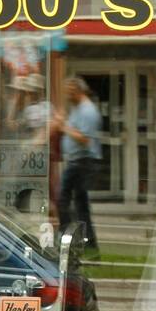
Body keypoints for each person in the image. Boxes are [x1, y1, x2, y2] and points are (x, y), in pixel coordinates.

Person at [55, 76, 102, 255]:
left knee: (64, 201)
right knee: (79, 206)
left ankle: (68, 238)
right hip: (76, 161)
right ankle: (86, 243)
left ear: (77, 91)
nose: (67, 96)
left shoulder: (87, 111)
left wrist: (63, 127)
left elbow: (84, 139)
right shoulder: (78, 109)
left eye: (69, 92)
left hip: (83, 162)